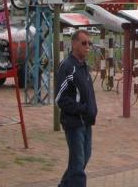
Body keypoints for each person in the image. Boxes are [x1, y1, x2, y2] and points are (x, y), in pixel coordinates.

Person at [55, 29, 98, 187]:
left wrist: (92, 111)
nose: (87, 46)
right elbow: (60, 98)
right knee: (78, 164)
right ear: (74, 44)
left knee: (82, 159)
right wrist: (81, 109)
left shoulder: (83, 66)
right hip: (74, 123)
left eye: (89, 43)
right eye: (84, 43)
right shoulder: (67, 67)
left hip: (86, 122)